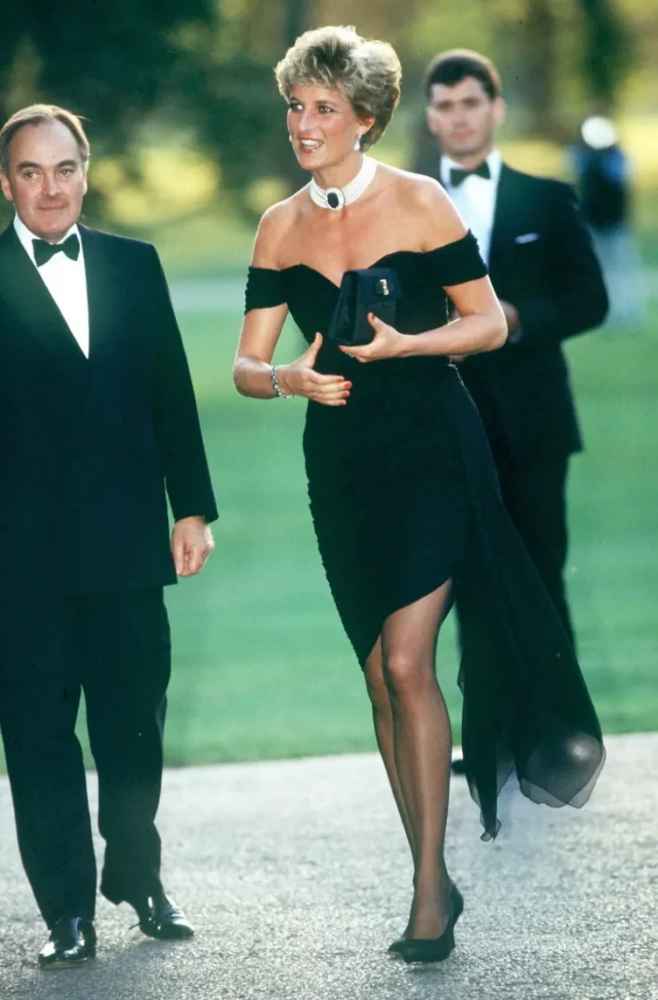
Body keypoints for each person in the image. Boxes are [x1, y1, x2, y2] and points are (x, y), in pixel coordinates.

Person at [234, 26, 604, 964]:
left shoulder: (420, 200)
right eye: (295, 106)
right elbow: (245, 364)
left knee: (407, 664)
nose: (303, 123)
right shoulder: (278, 225)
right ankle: (432, 869)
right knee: (378, 676)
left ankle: (427, 895)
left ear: (364, 117)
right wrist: (287, 380)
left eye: (322, 108)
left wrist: (409, 346)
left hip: (436, 450)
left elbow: (485, 325)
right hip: (341, 468)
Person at [0, 105, 218, 968]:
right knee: (38, 736)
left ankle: (137, 873)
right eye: (30, 172)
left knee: (134, 726)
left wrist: (191, 508)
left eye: (64, 169)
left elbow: (171, 390)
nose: (50, 188)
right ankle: (67, 911)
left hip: (127, 542)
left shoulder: (135, 263)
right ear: (6, 182)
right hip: (19, 559)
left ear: (86, 172)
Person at [421, 49, 608, 651]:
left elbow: (591, 300)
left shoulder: (547, 199)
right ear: (430, 116)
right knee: (470, 588)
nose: (459, 117)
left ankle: (559, 715)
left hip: (535, 422)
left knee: (543, 578)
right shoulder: (404, 207)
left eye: (470, 103)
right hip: (445, 425)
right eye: (445, 105)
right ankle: (486, 718)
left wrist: (519, 317)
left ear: (496, 108)